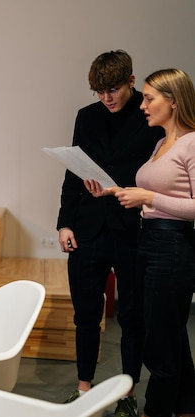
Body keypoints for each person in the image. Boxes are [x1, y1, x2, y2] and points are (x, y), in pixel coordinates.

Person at [56, 50, 164, 416]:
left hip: (133, 228)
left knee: (133, 316)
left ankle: (128, 393)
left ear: (132, 81)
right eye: (100, 92)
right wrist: (64, 223)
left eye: (114, 89)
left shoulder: (151, 116)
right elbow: (72, 173)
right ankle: (83, 387)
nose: (107, 98)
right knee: (85, 315)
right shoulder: (86, 117)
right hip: (88, 229)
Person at [87, 68, 195, 417]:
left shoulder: (192, 142)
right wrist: (114, 191)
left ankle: (156, 411)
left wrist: (149, 197)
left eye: (150, 98)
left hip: (172, 245)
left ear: (174, 101)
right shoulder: (163, 143)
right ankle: (187, 406)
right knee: (172, 335)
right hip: (151, 242)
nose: (143, 105)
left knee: (160, 341)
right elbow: (155, 193)